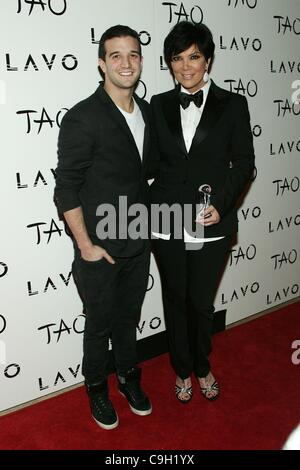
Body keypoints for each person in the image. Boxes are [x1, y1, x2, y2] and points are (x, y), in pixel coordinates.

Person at [150, 21, 255, 403]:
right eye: (177, 58)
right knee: (174, 298)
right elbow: (149, 164)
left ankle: (202, 365)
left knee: (200, 301)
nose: (185, 66)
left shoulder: (233, 104)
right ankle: (181, 370)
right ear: (170, 64)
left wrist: (222, 203)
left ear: (207, 60)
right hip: (166, 222)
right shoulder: (158, 105)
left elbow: (244, 162)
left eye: (193, 56)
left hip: (211, 223)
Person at [54, 25, 153, 429]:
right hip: (100, 249)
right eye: (116, 55)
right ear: (101, 63)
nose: (125, 63)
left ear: (141, 61)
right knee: (98, 326)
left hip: (139, 240)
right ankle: (96, 388)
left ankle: (129, 378)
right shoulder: (83, 117)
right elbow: (66, 187)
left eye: (133, 54)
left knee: (129, 319)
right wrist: (85, 245)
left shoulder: (149, 112)